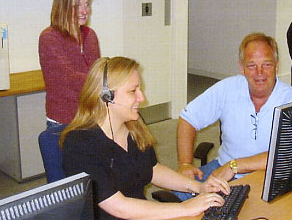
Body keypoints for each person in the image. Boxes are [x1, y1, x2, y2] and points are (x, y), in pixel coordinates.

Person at [60, 57, 230, 220]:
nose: (142, 98)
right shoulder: (79, 144)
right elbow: (117, 206)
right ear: (107, 97)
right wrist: (185, 207)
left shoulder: (133, 125)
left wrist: (198, 187)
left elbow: (152, 169)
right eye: (133, 91)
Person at [174, 33, 292, 201]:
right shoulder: (227, 88)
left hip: (270, 175)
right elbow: (188, 119)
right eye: (251, 65)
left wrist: (236, 166)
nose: (260, 73)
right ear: (241, 68)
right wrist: (185, 164)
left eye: (266, 64)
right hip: (222, 169)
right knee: (179, 193)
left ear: (276, 66)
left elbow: (289, 154)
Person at [38, 0, 100, 182]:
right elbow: (68, 79)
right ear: (63, 7)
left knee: (92, 181)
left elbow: (96, 72)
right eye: (77, 6)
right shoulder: (49, 38)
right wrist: (105, 82)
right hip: (63, 121)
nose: (85, 11)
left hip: (89, 118)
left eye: (87, 4)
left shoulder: (90, 36)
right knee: (64, 185)